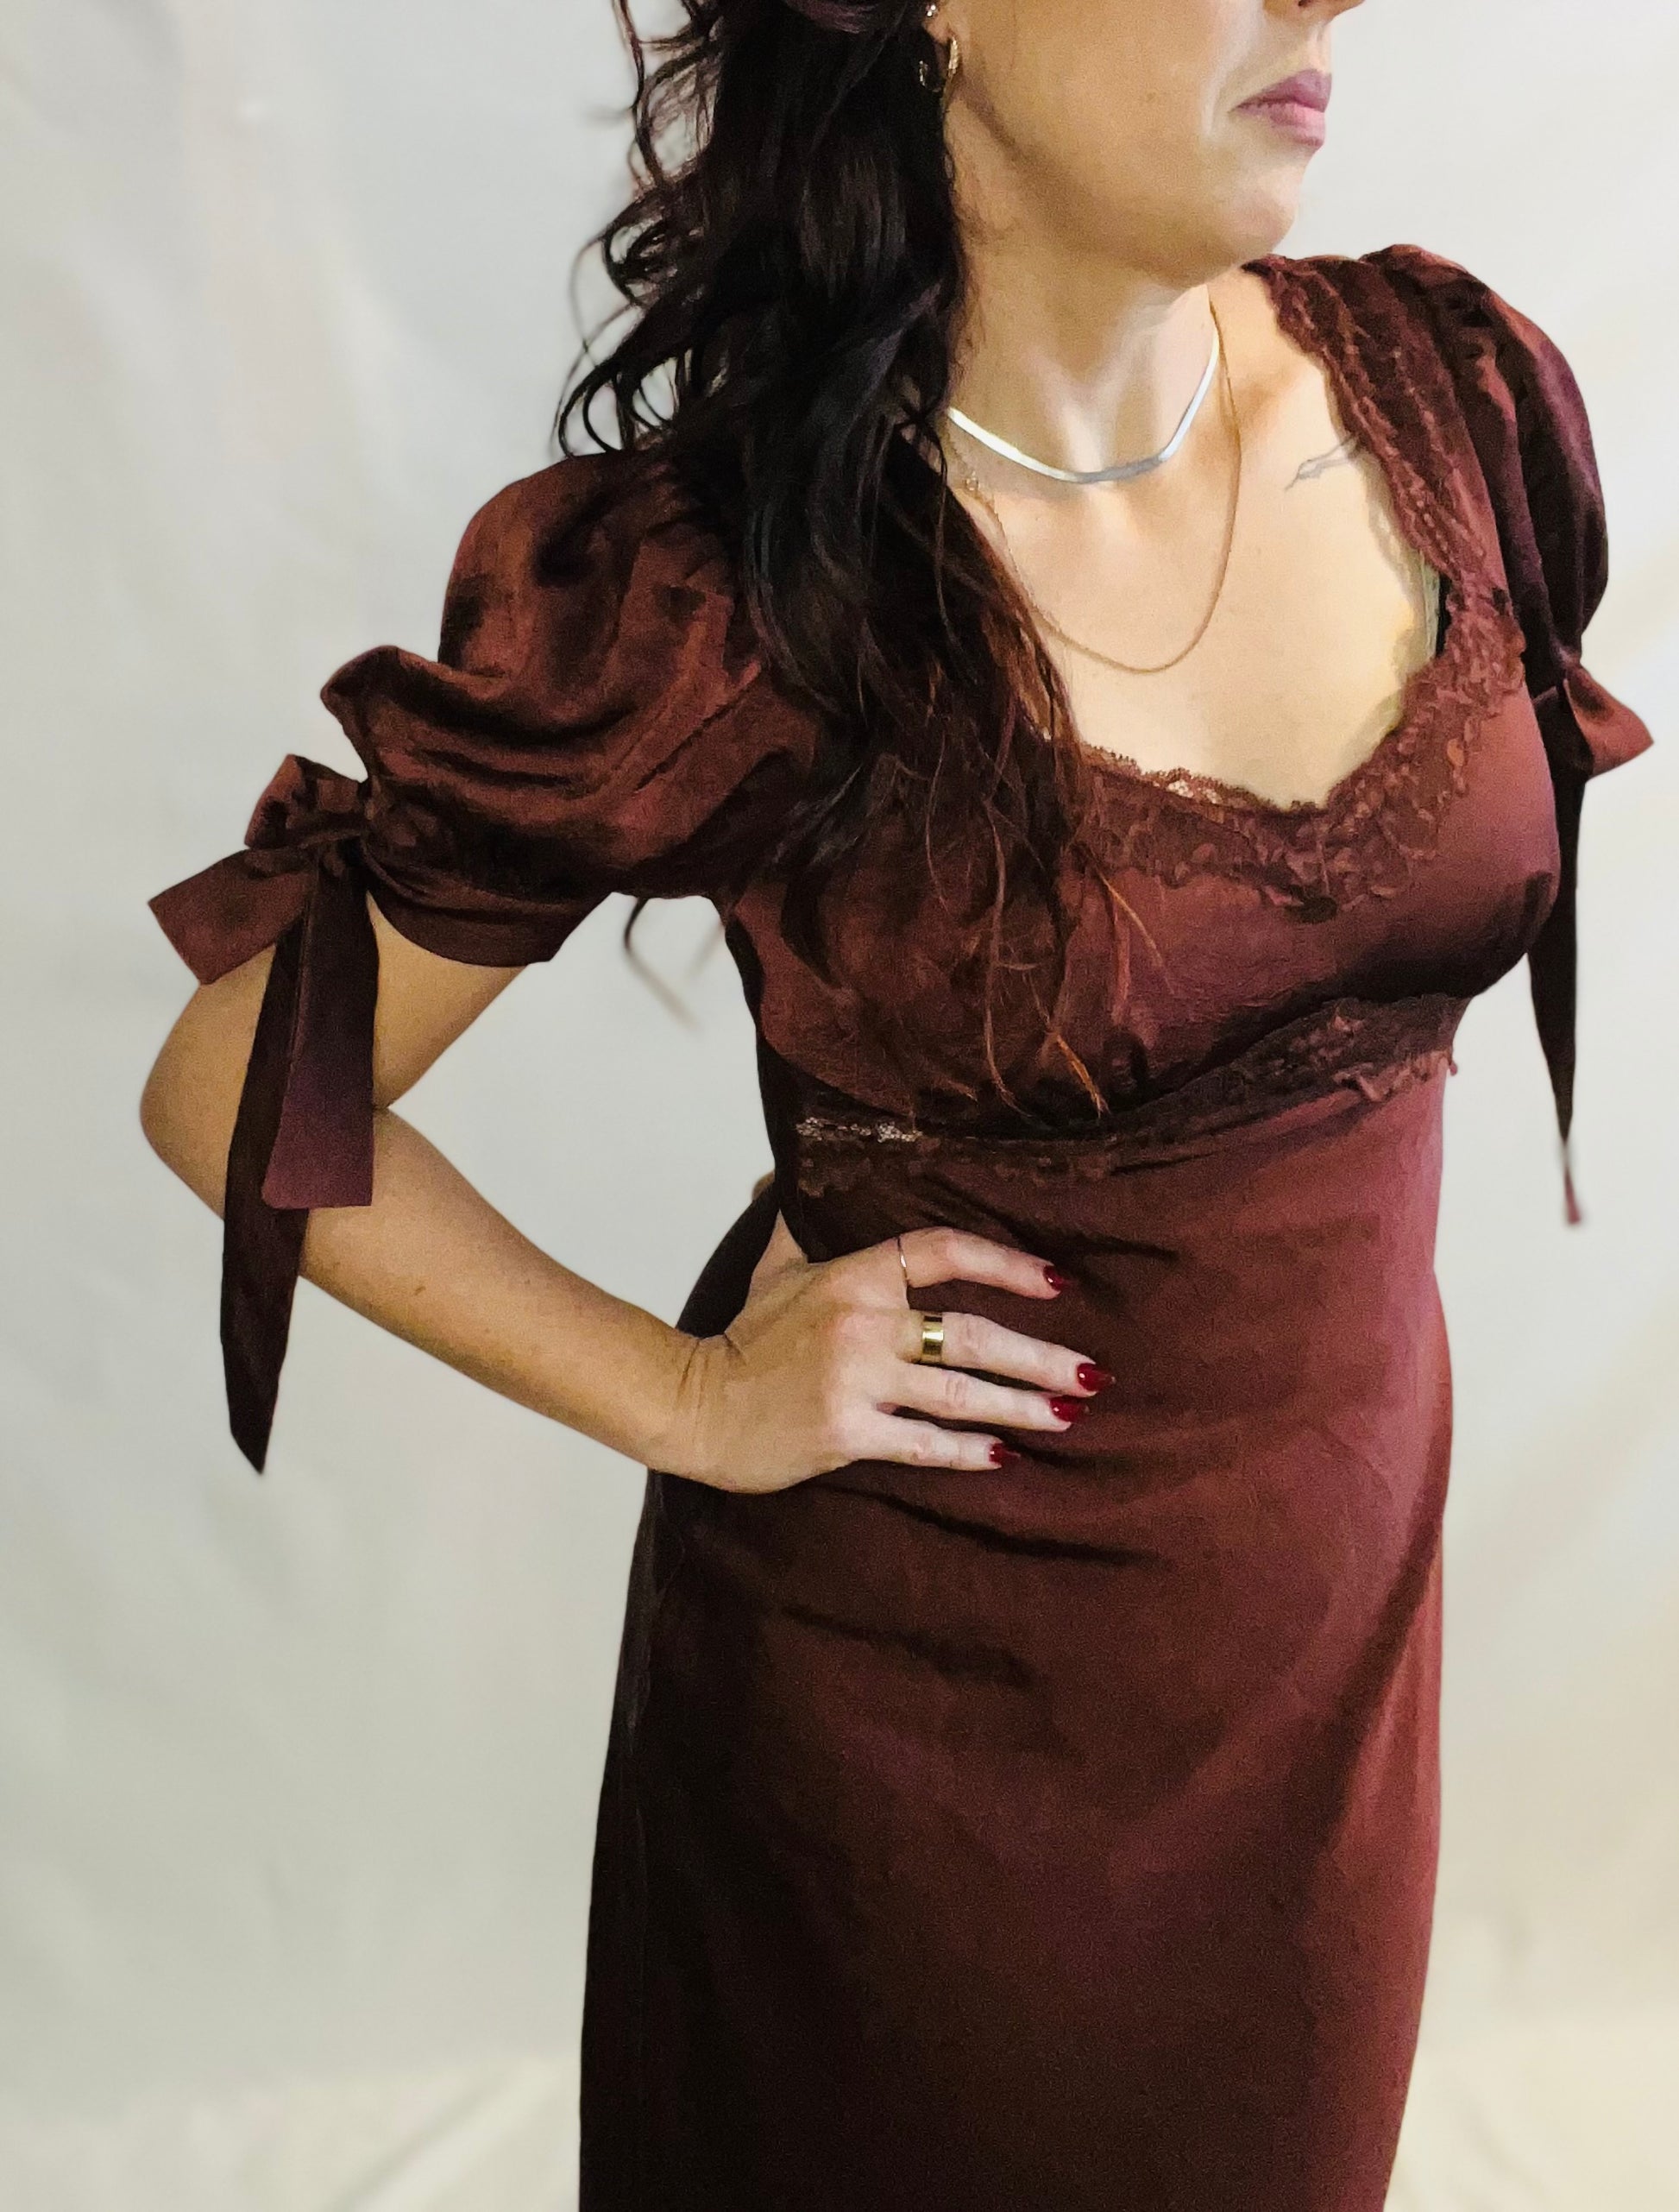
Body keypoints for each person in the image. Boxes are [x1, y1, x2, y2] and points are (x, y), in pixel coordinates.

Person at [139, 0, 1653, 2204]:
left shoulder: (1455, 398)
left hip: (1319, 1713)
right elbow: (236, 1081)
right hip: (909, 1770)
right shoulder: (739, 581)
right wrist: (684, 1391)